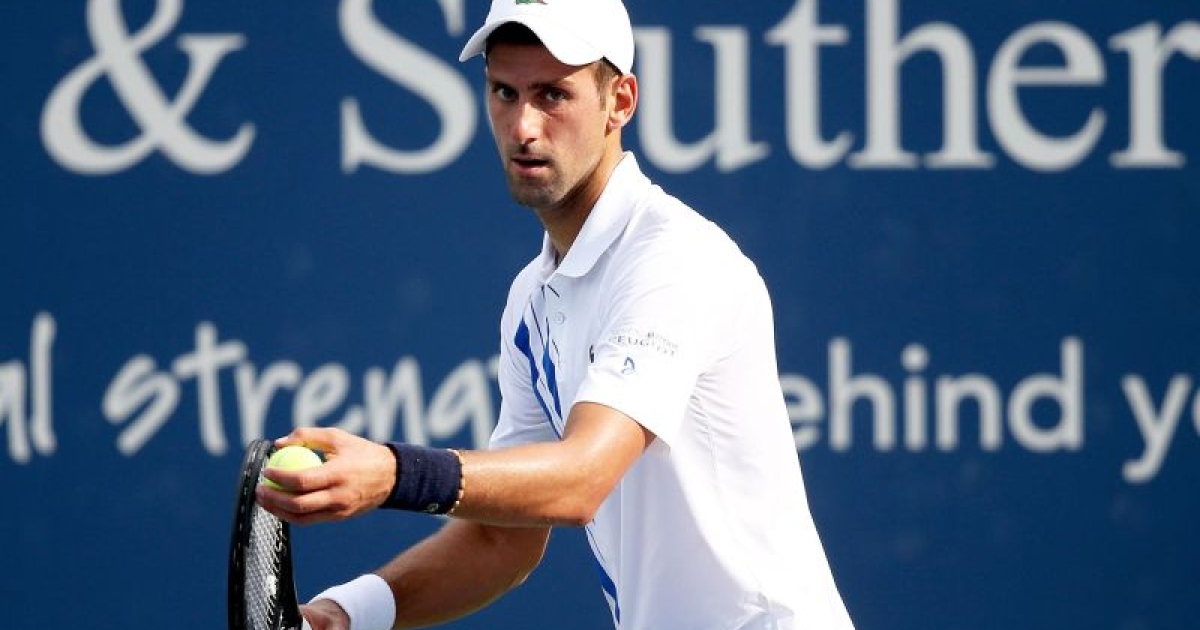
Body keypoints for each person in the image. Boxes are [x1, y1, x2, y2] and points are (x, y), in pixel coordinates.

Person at [256, 0, 856, 628]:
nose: (523, 127)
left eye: (552, 95)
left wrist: (394, 474)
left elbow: (582, 479)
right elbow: (501, 539)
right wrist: (345, 613)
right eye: (505, 92)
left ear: (619, 102)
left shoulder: (676, 260)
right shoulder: (532, 298)